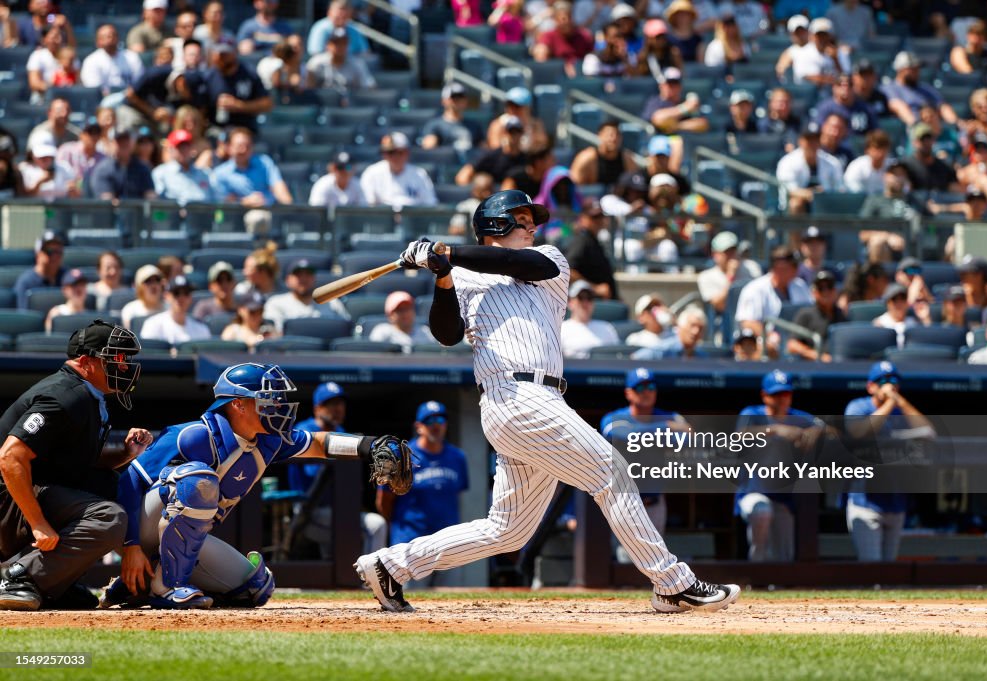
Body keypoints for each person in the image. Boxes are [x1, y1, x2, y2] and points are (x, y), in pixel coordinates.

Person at [356, 190, 740, 614]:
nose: (532, 226)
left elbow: (510, 263)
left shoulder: (549, 260)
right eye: (521, 219)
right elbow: (446, 333)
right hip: (514, 396)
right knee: (610, 471)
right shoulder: (463, 276)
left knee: (507, 530)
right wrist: (442, 274)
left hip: (538, 398)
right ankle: (672, 583)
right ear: (495, 225)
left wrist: (444, 252)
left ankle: (390, 565)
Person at [101, 362, 410, 609]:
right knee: (198, 479)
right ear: (238, 404)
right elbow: (128, 483)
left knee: (255, 588)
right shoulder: (193, 435)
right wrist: (130, 548)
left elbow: (318, 442)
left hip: (180, 535)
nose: (276, 405)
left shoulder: (269, 440)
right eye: (267, 399)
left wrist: (368, 445)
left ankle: (136, 586)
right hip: (137, 525)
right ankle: (166, 586)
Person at [0, 321, 149, 611]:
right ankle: (16, 577)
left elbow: (79, 461)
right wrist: (38, 523)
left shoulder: (87, 395)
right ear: (86, 362)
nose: (123, 366)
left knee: (110, 484)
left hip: (24, 495)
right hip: (7, 500)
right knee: (109, 517)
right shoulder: (65, 395)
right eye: (115, 359)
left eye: (124, 359)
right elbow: (10, 457)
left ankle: (44, 579)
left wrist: (125, 454)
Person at [844, 361, 934, 562]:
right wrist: (889, 403)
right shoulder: (858, 406)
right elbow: (859, 432)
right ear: (871, 386)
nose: (889, 385)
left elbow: (928, 431)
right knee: (872, 570)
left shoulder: (901, 409)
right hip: (865, 502)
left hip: (896, 502)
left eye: (893, 381)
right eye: (883, 381)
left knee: (889, 572)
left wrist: (899, 402)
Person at [289, 382, 386, 559]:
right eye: (331, 404)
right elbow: (316, 476)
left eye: (340, 403)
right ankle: (371, 584)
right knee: (375, 526)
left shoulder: (341, 432)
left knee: (336, 561)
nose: (338, 408)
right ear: (317, 408)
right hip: (310, 511)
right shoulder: (304, 431)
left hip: (337, 511)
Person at [376, 401, 468, 587]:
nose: (436, 425)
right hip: (412, 544)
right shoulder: (400, 457)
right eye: (429, 421)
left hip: (447, 544)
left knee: (451, 605)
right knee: (411, 605)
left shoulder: (458, 457)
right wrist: (397, 529)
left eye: (441, 419)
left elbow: (456, 496)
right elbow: (383, 501)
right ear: (418, 427)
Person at [734, 370, 823, 562]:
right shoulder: (753, 413)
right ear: (765, 396)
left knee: (785, 556)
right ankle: (755, 571)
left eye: (786, 394)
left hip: (784, 498)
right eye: (776, 394)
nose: (782, 399)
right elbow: (740, 435)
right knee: (762, 511)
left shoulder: (800, 417)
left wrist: (817, 431)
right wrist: (775, 429)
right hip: (752, 492)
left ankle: (779, 586)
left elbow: (830, 429)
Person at [599, 367, 687, 557]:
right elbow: (623, 434)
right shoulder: (614, 417)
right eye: (640, 388)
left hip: (654, 500)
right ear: (628, 393)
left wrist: (651, 432)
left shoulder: (671, 416)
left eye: (651, 387)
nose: (646, 392)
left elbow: (689, 440)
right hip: (623, 499)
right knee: (624, 558)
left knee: (656, 557)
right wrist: (665, 428)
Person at [736, 247, 813, 338]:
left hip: (795, 341)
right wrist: (769, 337)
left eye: (796, 266)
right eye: (792, 266)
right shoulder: (755, 289)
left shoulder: (800, 285)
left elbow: (811, 311)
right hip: (762, 343)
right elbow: (748, 323)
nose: (796, 270)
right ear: (777, 268)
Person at [210, 127, 292, 207]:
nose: (244, 150)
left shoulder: (264, 163)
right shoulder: (220, 173)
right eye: (239, 146)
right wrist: (243, 202)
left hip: (270, 211)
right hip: (236, 216)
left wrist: (290, 209)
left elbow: (279, 188)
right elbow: (223, 203)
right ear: (229, 147)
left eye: (247, 146)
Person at [776, 126, 845, 214]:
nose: (812, 144)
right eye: (809, 140)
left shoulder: (832, 162)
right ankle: (794, 228)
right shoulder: (788, 162)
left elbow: (839, 189)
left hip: (826, 203)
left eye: (815, 140)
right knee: (796, 204)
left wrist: (825, 193)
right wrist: (814, 194)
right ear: (800, 141)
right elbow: (790, 190)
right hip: (798, 207)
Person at [206, 42, 273, 132]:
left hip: (244, 129)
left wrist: (239, 106)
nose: (221, 58)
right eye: (218, 55)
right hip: (216, 129)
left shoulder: (249, 74)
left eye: (224, 55)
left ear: (234, 53)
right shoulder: (209, 76)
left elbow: (267, 104)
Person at [264, 259, 347, 331]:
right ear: (288, 280)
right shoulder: (276, 303)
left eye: (308, 274)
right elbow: (272, 334)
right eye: (298, 275)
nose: (303, 279)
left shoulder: (332, 303)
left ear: (314, 279)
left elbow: (346, 329)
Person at [359, 132, 438, 208]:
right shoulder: (372, 173)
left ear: (407, 152)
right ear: (384, 154)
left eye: (399, 152)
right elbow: (367, 207)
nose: (394, 157)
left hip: (412, 219)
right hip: (382, 220)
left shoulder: (419, 174)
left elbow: (430, 204)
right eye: (390, 153)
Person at [883, 51, 959, 127]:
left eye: (917, 68)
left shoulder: (925, 89)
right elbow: (896, 106)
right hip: (909, 128)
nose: (916, 72)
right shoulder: (890, 88)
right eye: (912, 69)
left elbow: (942, 106)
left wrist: (956, 123)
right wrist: (915, 124)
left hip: (932, 125)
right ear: (900, 70)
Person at [564, 198, 618, 299]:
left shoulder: (594, 241)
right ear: (583, 218)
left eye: (600, 216)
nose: (598, 221)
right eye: (594, 217)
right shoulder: (582, 241)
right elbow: (568, 271)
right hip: (588, 302)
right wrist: (595, 288)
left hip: (602, 302)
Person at [788, 269, 845, 361]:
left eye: (829, 287)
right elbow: (792, 345)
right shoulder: (805, 314)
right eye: (821, 288)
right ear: (814, 292)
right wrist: (817, 356)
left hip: (840, 365)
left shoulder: (841, 314)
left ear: (835, 291)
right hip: (813, 368)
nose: (825, 292)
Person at [138, 275, 212, 346]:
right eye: (176, 293)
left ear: (190, 298)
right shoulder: (153, 325)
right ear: (167, 296)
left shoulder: (201, 329)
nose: (181, 298)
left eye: (186, 293)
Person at [306, 28, 375, 101]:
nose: (340, 46)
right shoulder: (316, 62)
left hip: (350, 106)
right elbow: (308, 88)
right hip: (323, 104)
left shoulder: (357, 63)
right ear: (328, 45)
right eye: (336, 43)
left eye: (343, 43)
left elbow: (369, 86)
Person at [88, 130, 156, 201]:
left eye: (127, 140)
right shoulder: (103, 169)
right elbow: (106, 199)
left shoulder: (142, 168)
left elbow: (150, 195)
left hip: (138, 211)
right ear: (112, 144)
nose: (124, 144)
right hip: (111, 212)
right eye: (119, 141)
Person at [531, 1, 594, 77]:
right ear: (555, 20)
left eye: (569, 17)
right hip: (557, 77)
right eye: (563, 19)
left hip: (581, 76)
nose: (566, 22)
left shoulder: (584, 36)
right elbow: (540, 58)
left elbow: (593, 57)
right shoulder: (548, 36)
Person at [569, 121, 636, 188]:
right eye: (610, 135)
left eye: (617, 135)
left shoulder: (627, 159)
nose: (614, 139)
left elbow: (635, 185)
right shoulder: (586, 159)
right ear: (600, 135)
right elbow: (574, 188)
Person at [560, 280, 619, 358]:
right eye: (580, 298)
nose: (585, 302)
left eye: (589, 298)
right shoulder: (561, 329)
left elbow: (617, 356)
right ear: (570, 302)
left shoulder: (607, 328)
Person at [641, 67, 709, 134]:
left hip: (684, 139)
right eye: (669, 84)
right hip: (658, 139)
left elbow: (703, 124)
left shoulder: (684, 101)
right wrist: (685, 108)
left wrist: (676, 126)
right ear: (661, 86)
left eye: (675, 83)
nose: (672, 87)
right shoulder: (655, 102)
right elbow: (658, 119)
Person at [152, 129, 213, 204]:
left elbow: (215, 201)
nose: (183, 150)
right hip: (173, 214)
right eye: (179, 147)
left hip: (202, 214)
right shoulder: (161, 173)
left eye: (186, 146)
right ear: (171, 149)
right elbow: (157, 203)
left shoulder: (205, 173)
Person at [696, 231, 751, 314]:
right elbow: (719, 305)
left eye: (733, 251)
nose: (731, 255)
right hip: (725, 322)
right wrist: (731, 276)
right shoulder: (706, 277)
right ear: (715, 254)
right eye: (726, 252)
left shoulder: (751, 268)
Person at [80, 24, 144, 95]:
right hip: (104, 102)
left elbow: (140, 83)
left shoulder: (132, 57)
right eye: (105, 37)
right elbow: (94, 91)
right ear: (98, 42)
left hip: (131, 100)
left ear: (118, 38)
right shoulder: (91, 61)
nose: (110, 38)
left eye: (113, 35)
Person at [484, 87, 549, 153]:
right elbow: (495, 148)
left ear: (527, 108)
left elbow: (541, 147)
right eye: (509, 105)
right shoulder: (498, 124)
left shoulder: (536, 125)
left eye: (517, 106)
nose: (512, 109)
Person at [368, 291, 437, 351]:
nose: (405, 313)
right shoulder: (382, 331)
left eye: (408, 309)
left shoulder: (425, 332)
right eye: (400, 310)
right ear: (390, 315)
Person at [421, 83, 481, 152]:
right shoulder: (434, 125)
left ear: (466, 101)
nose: (457, 100)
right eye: (453, 97)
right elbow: (428, 149)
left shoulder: (474, 125)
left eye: (460, 96)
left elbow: (483, 150)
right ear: (443, 101)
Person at [632, 305, 708, 360]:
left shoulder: (703, 357)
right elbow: (635, 358)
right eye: (692, 326)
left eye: (700, 328)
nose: (696, 332)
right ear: (680, 326)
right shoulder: (664, 349)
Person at [14, 230, 66, 310]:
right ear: (38, 253)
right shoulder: (26, 282)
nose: (55, 256)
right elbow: (23, 315)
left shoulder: (67, 278)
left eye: (58, 251)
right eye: (50, 251)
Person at [792, 17, 847, 87]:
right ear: (812, 36)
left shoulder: (840, 53)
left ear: (830, 36)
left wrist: (835, 60)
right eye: (819, 35)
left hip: (833, 95)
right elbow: (806, 76)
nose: (822, 38)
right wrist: (834, 80)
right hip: (809, 95)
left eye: (825, 35)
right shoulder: (803, 52)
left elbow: (846, 77)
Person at [57, 123, 106, 188]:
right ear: (81, 135)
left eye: (97, 134)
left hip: (92, 194)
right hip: (67, 193)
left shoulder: (103, 157)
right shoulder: (67, 150)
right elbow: (58, 172)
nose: (94, 137)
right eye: (90, 133)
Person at [872, 283, 919, 348]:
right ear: (888, 303)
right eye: (895, 300)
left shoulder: (914, 322)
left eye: (903, 298)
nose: (899, 303)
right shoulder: (879, 323)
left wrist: (925, 319)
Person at [844, 130, 891, 196]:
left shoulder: (893, 167)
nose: (881, 152)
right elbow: (851, 191)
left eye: (884, 148)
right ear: (867, 150)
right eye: (877, 148)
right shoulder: (856, 166)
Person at [120, 264, 167, 328]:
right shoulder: (130, 310)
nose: (153, 285)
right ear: (139, 287)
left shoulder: (170, 308)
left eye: (157, 280)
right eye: (148, 281)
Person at [44, 268, 90, 332]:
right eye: (74, 285)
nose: (79, 289)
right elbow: (50, 339)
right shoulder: (57, 313)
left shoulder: (91, 317)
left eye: (82, 285)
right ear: (65, 290)